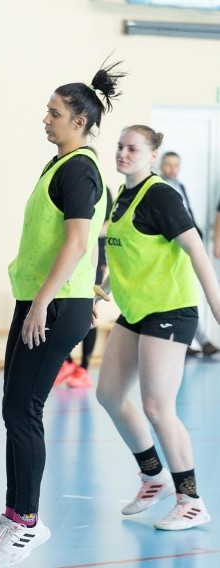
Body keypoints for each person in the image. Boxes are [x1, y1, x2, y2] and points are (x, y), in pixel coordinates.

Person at [0, 62, 124, 568]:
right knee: (14, 407)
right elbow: (65, 239)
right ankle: (16, 515)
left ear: (78, 121)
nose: (46, 119)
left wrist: (44, 302)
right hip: (47, 299)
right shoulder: (61, 166)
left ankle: (27, 524)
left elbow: (80, 242)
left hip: (53, 307)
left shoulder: (80, 168)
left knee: (23, 409)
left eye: (54, 113)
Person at [95, 125, 219, 531]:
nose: (123, 153)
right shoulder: (121, 198)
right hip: (136, 310)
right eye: (119, 146)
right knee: (110, 395)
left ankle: (192, 500)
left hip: (171, 310)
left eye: (133, 149)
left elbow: (198, 252)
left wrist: (217, 310)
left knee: (157, 407)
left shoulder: (162, 196)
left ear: (152, 156)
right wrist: (106, 288)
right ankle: (153, 477)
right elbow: (129, 248)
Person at [54, 177, 114, 389]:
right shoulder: (66, 185)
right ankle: (68, 363)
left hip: (93, 258)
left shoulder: (102, 190)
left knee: (89, 311)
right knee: (63, 310)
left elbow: (109, 226)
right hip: (71, 256)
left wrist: (84, 230)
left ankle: (85, 369)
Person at [159, 151, 218, 357]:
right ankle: (190, 342)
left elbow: (188, 214)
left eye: (176, 165)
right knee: (180, 295)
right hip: (171, 250)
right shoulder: (159, 188)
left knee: (188, 293)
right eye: (168, 165)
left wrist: (198, 236)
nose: (172, 169)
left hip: (188, 247)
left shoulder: (180, 186)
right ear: (161, 165)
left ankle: (197, 341)